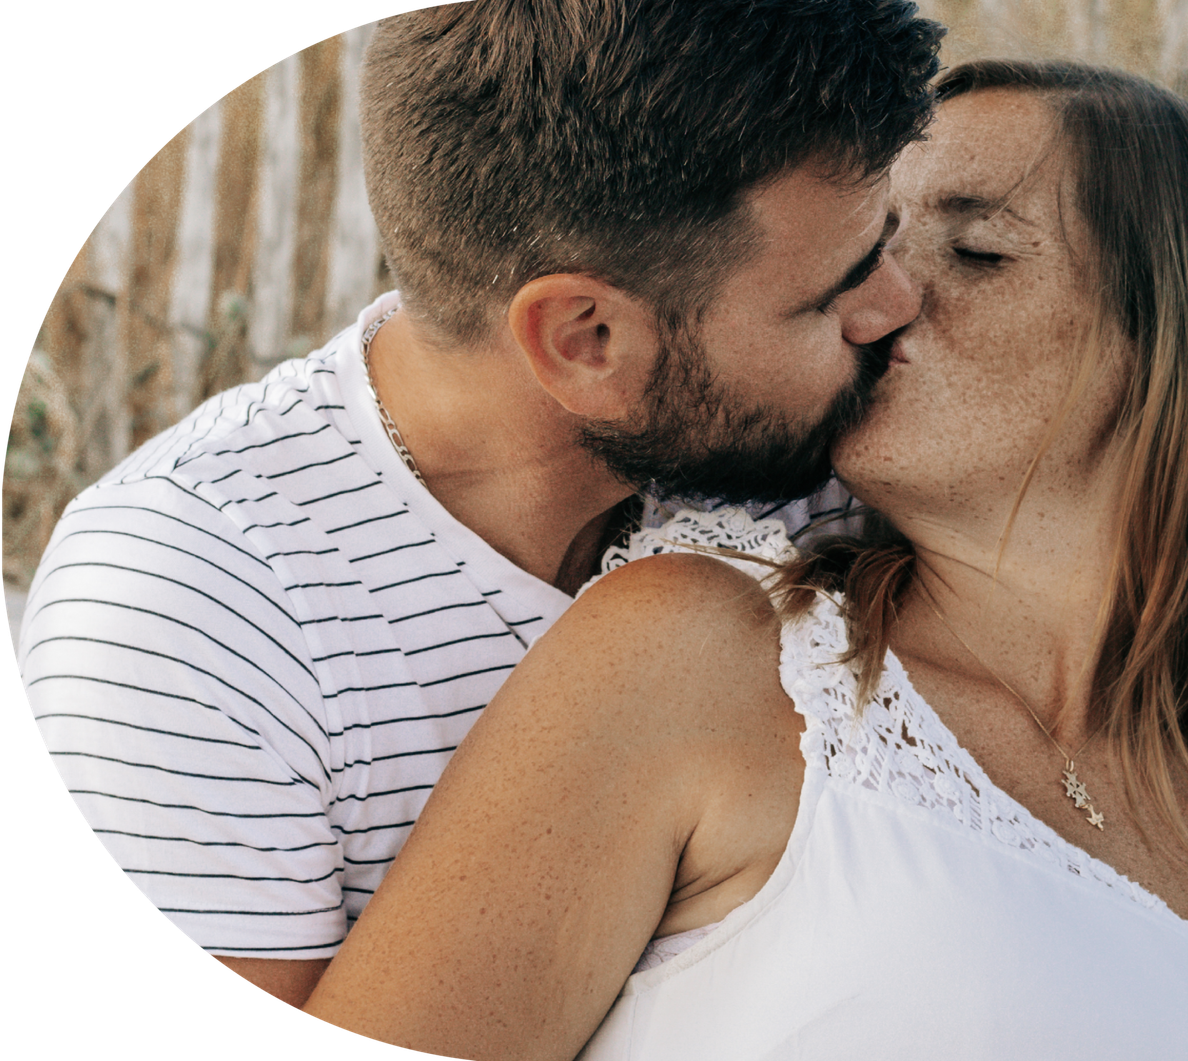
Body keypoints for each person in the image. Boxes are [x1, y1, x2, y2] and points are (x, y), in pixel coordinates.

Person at [300, 61, 1188, 1060]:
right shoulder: (702, 658)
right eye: (869, 240)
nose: (874, 296)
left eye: (975, 249)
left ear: (1185, 356)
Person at [20, 0, 941, 1009]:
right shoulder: (195, 611)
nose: (899, 304)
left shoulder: (811, 462)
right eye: (836, 287)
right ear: (586, 339)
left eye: (889, 238)